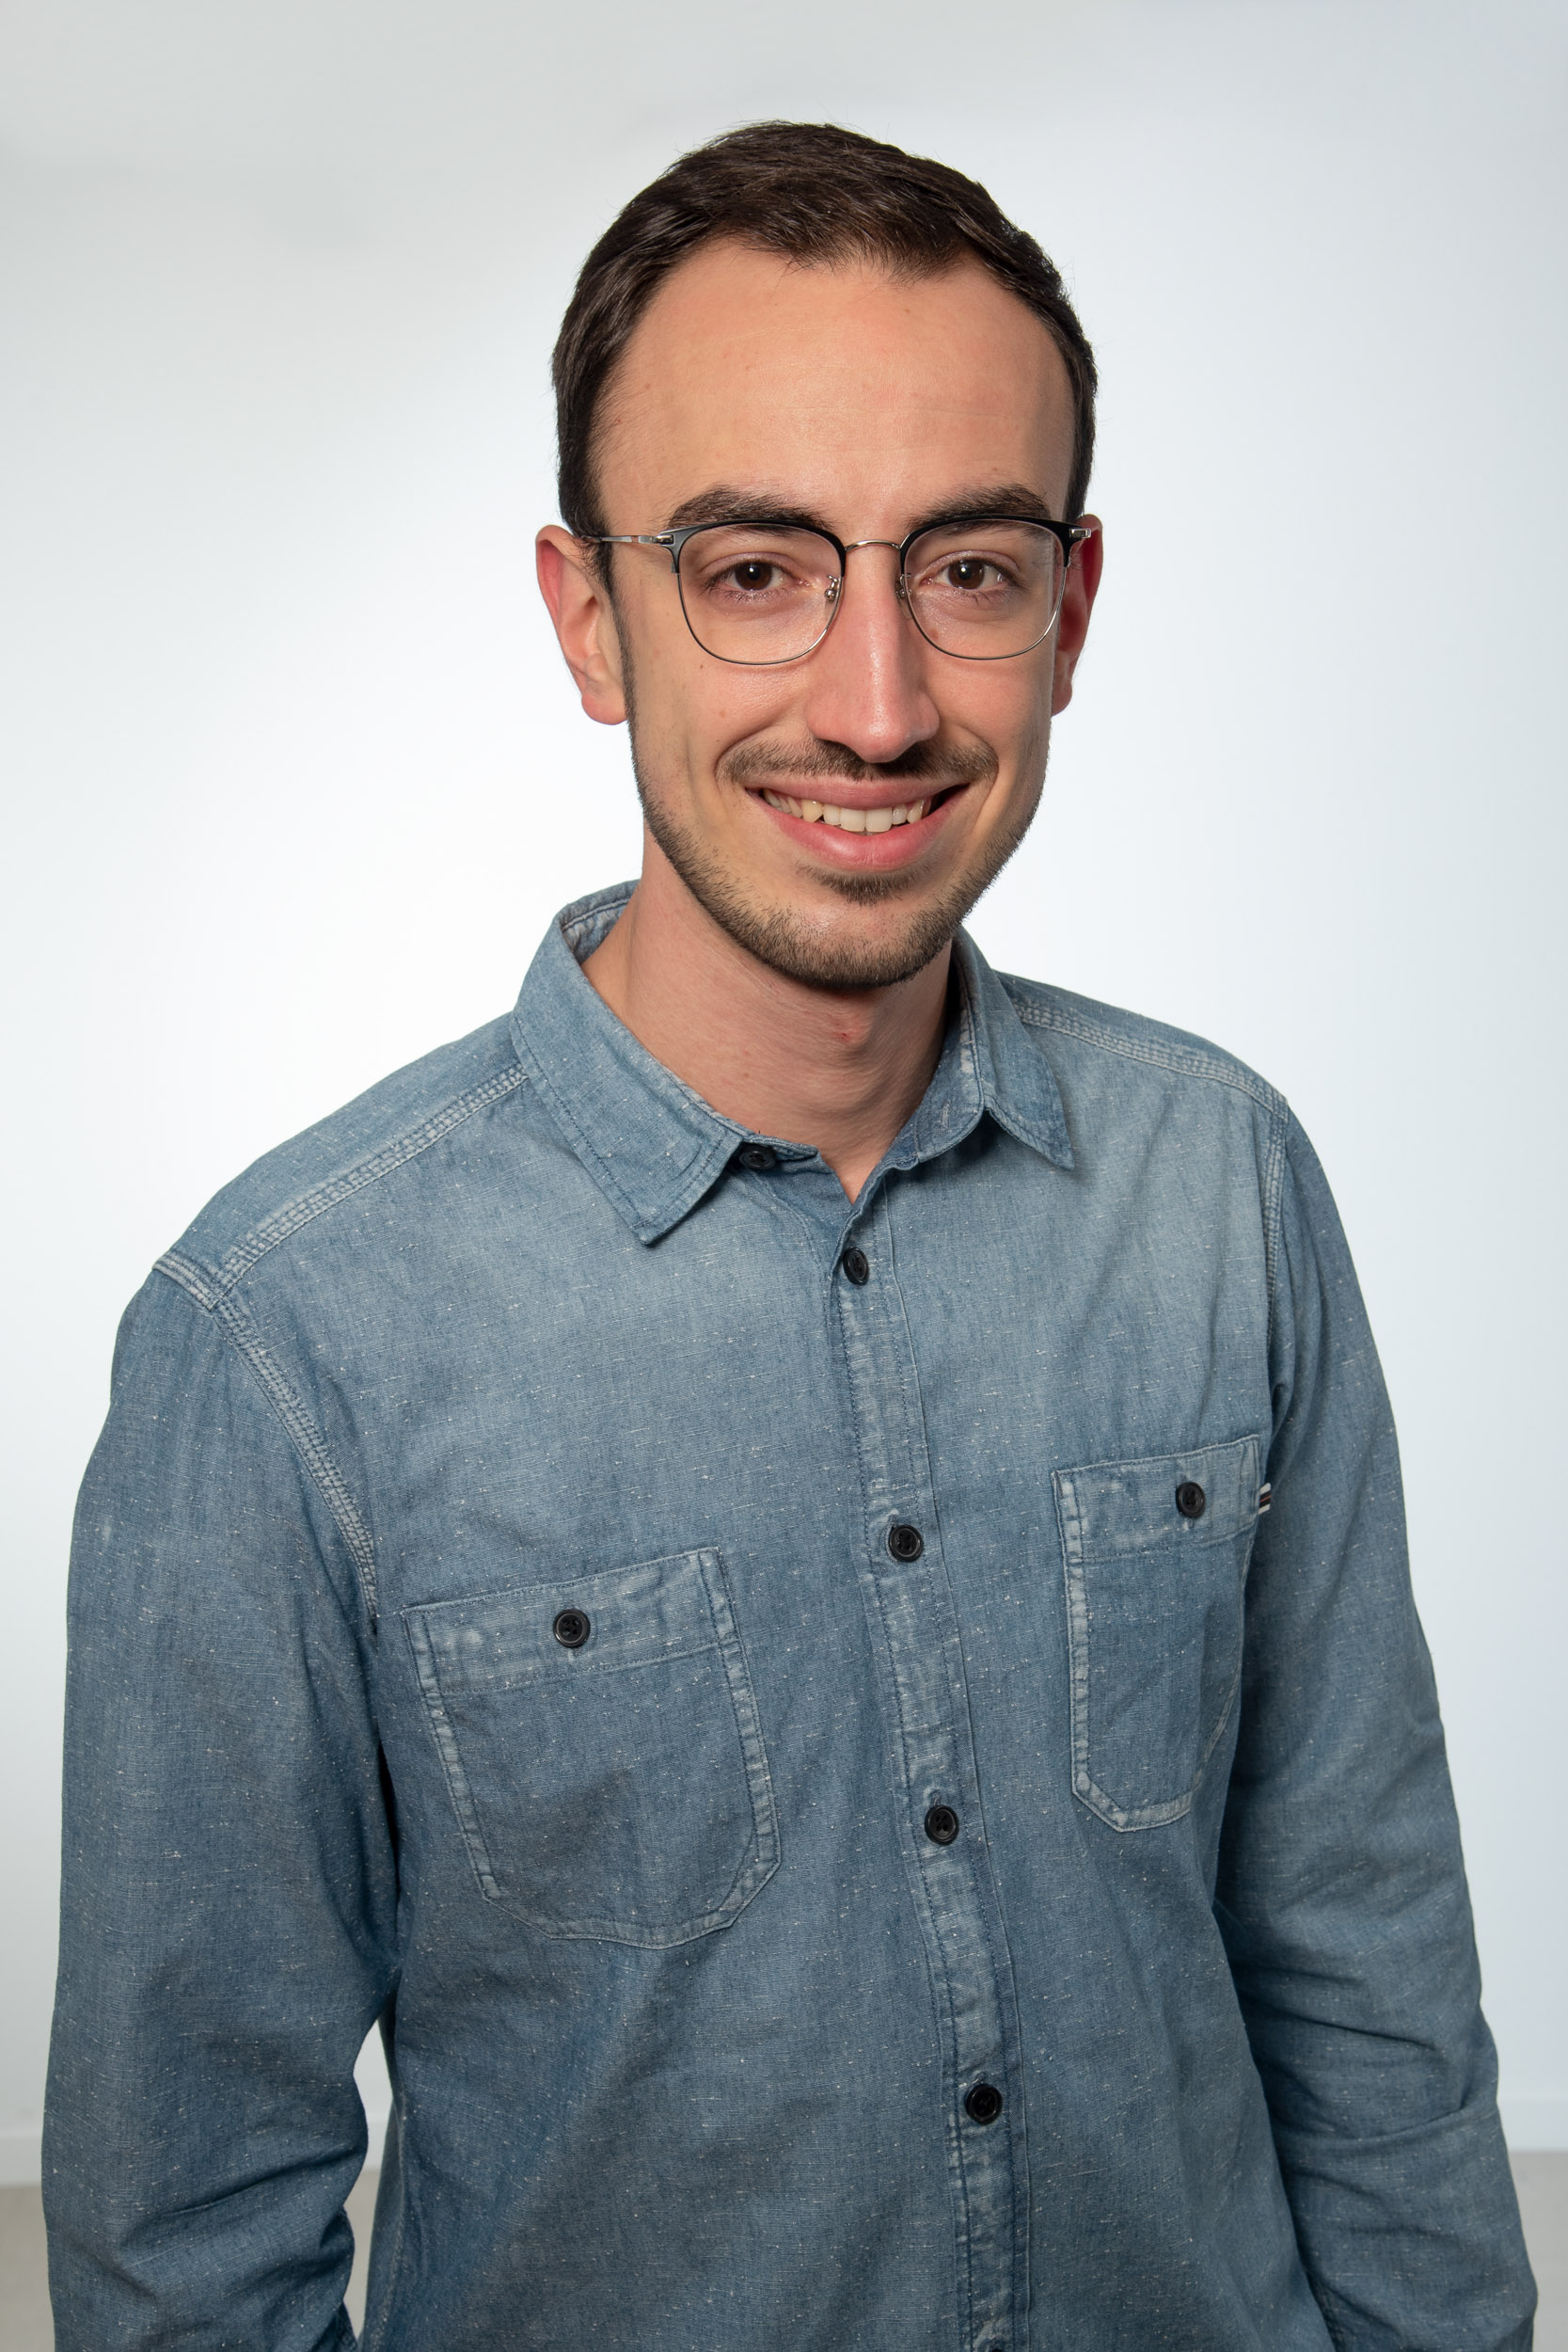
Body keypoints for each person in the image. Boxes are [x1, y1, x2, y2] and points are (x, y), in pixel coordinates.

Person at [44, 120, 1535, 2352]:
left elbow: (1369, 1973)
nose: (876, 703)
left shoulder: (1223, 1183)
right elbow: (187, 2231)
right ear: (590, 615)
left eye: (969, 568)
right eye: (756, 568)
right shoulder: (282, 1336)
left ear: (1071, 613)